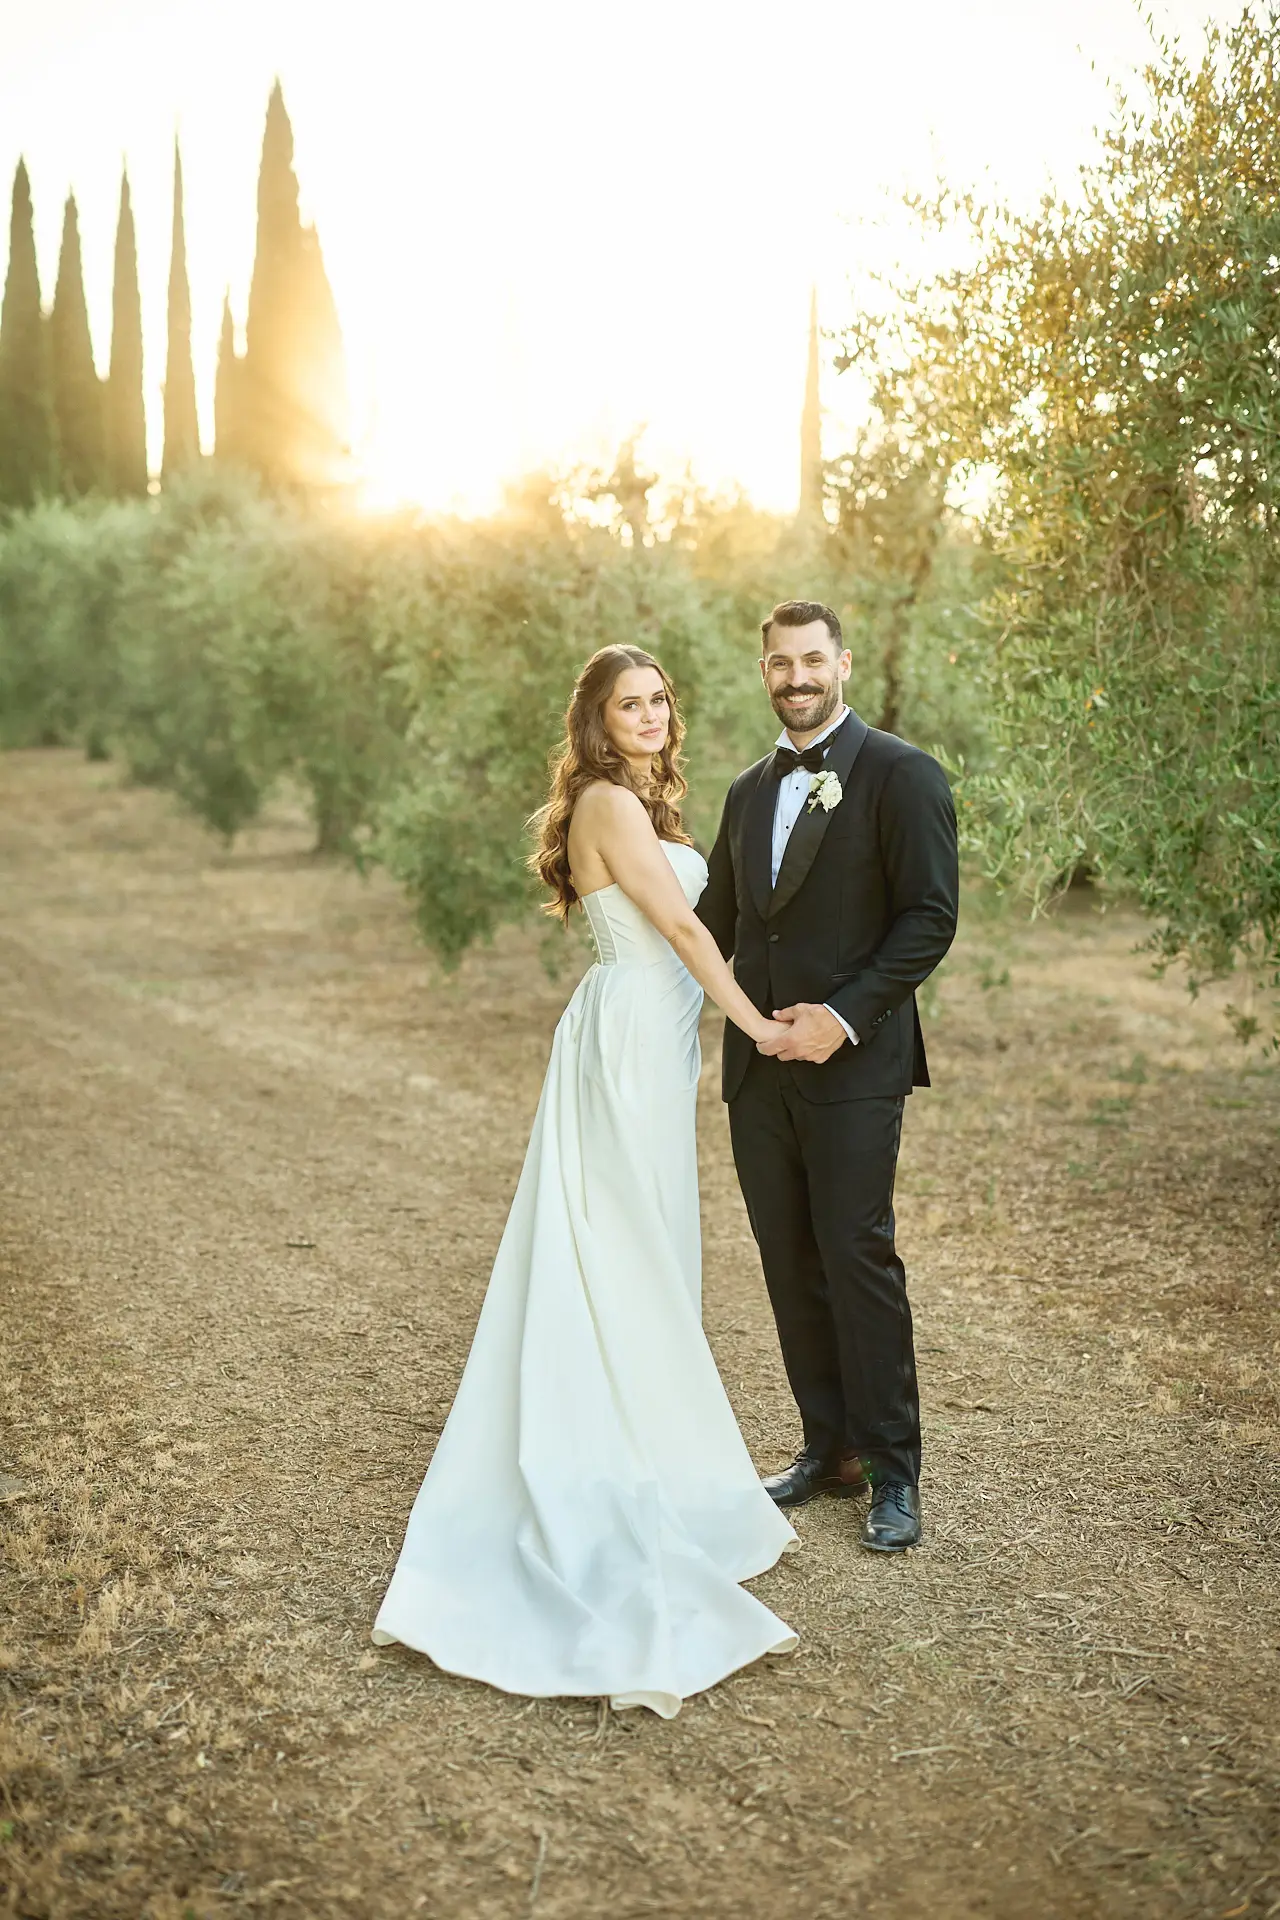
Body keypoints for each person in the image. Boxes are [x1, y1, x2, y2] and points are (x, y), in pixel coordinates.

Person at [372, 644, 798, 1718]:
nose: (649, 716)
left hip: (651, 1036)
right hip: (628, 1038)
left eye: (658, 701)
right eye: (628, 705)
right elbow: (682, 927)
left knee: (644, 1237)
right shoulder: (608, 803)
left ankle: (656, 1447)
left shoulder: (637, 802)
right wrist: (754, 1025)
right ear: (597, 723)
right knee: (624, 1242)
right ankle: (618, 1462)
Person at [697, 601, 959, 1552]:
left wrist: (838, 1020)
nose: (797, 677)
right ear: (764, 671)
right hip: (757, 1069)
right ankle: (828, 1448)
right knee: (787, 1258)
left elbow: (929, 918)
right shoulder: (745, 790)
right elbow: (718, 925)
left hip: (854, 1065)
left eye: (813, 659)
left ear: (843, 664)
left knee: (855, 1255)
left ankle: (893, 1472)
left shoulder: (901, 773)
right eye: (781, 662)